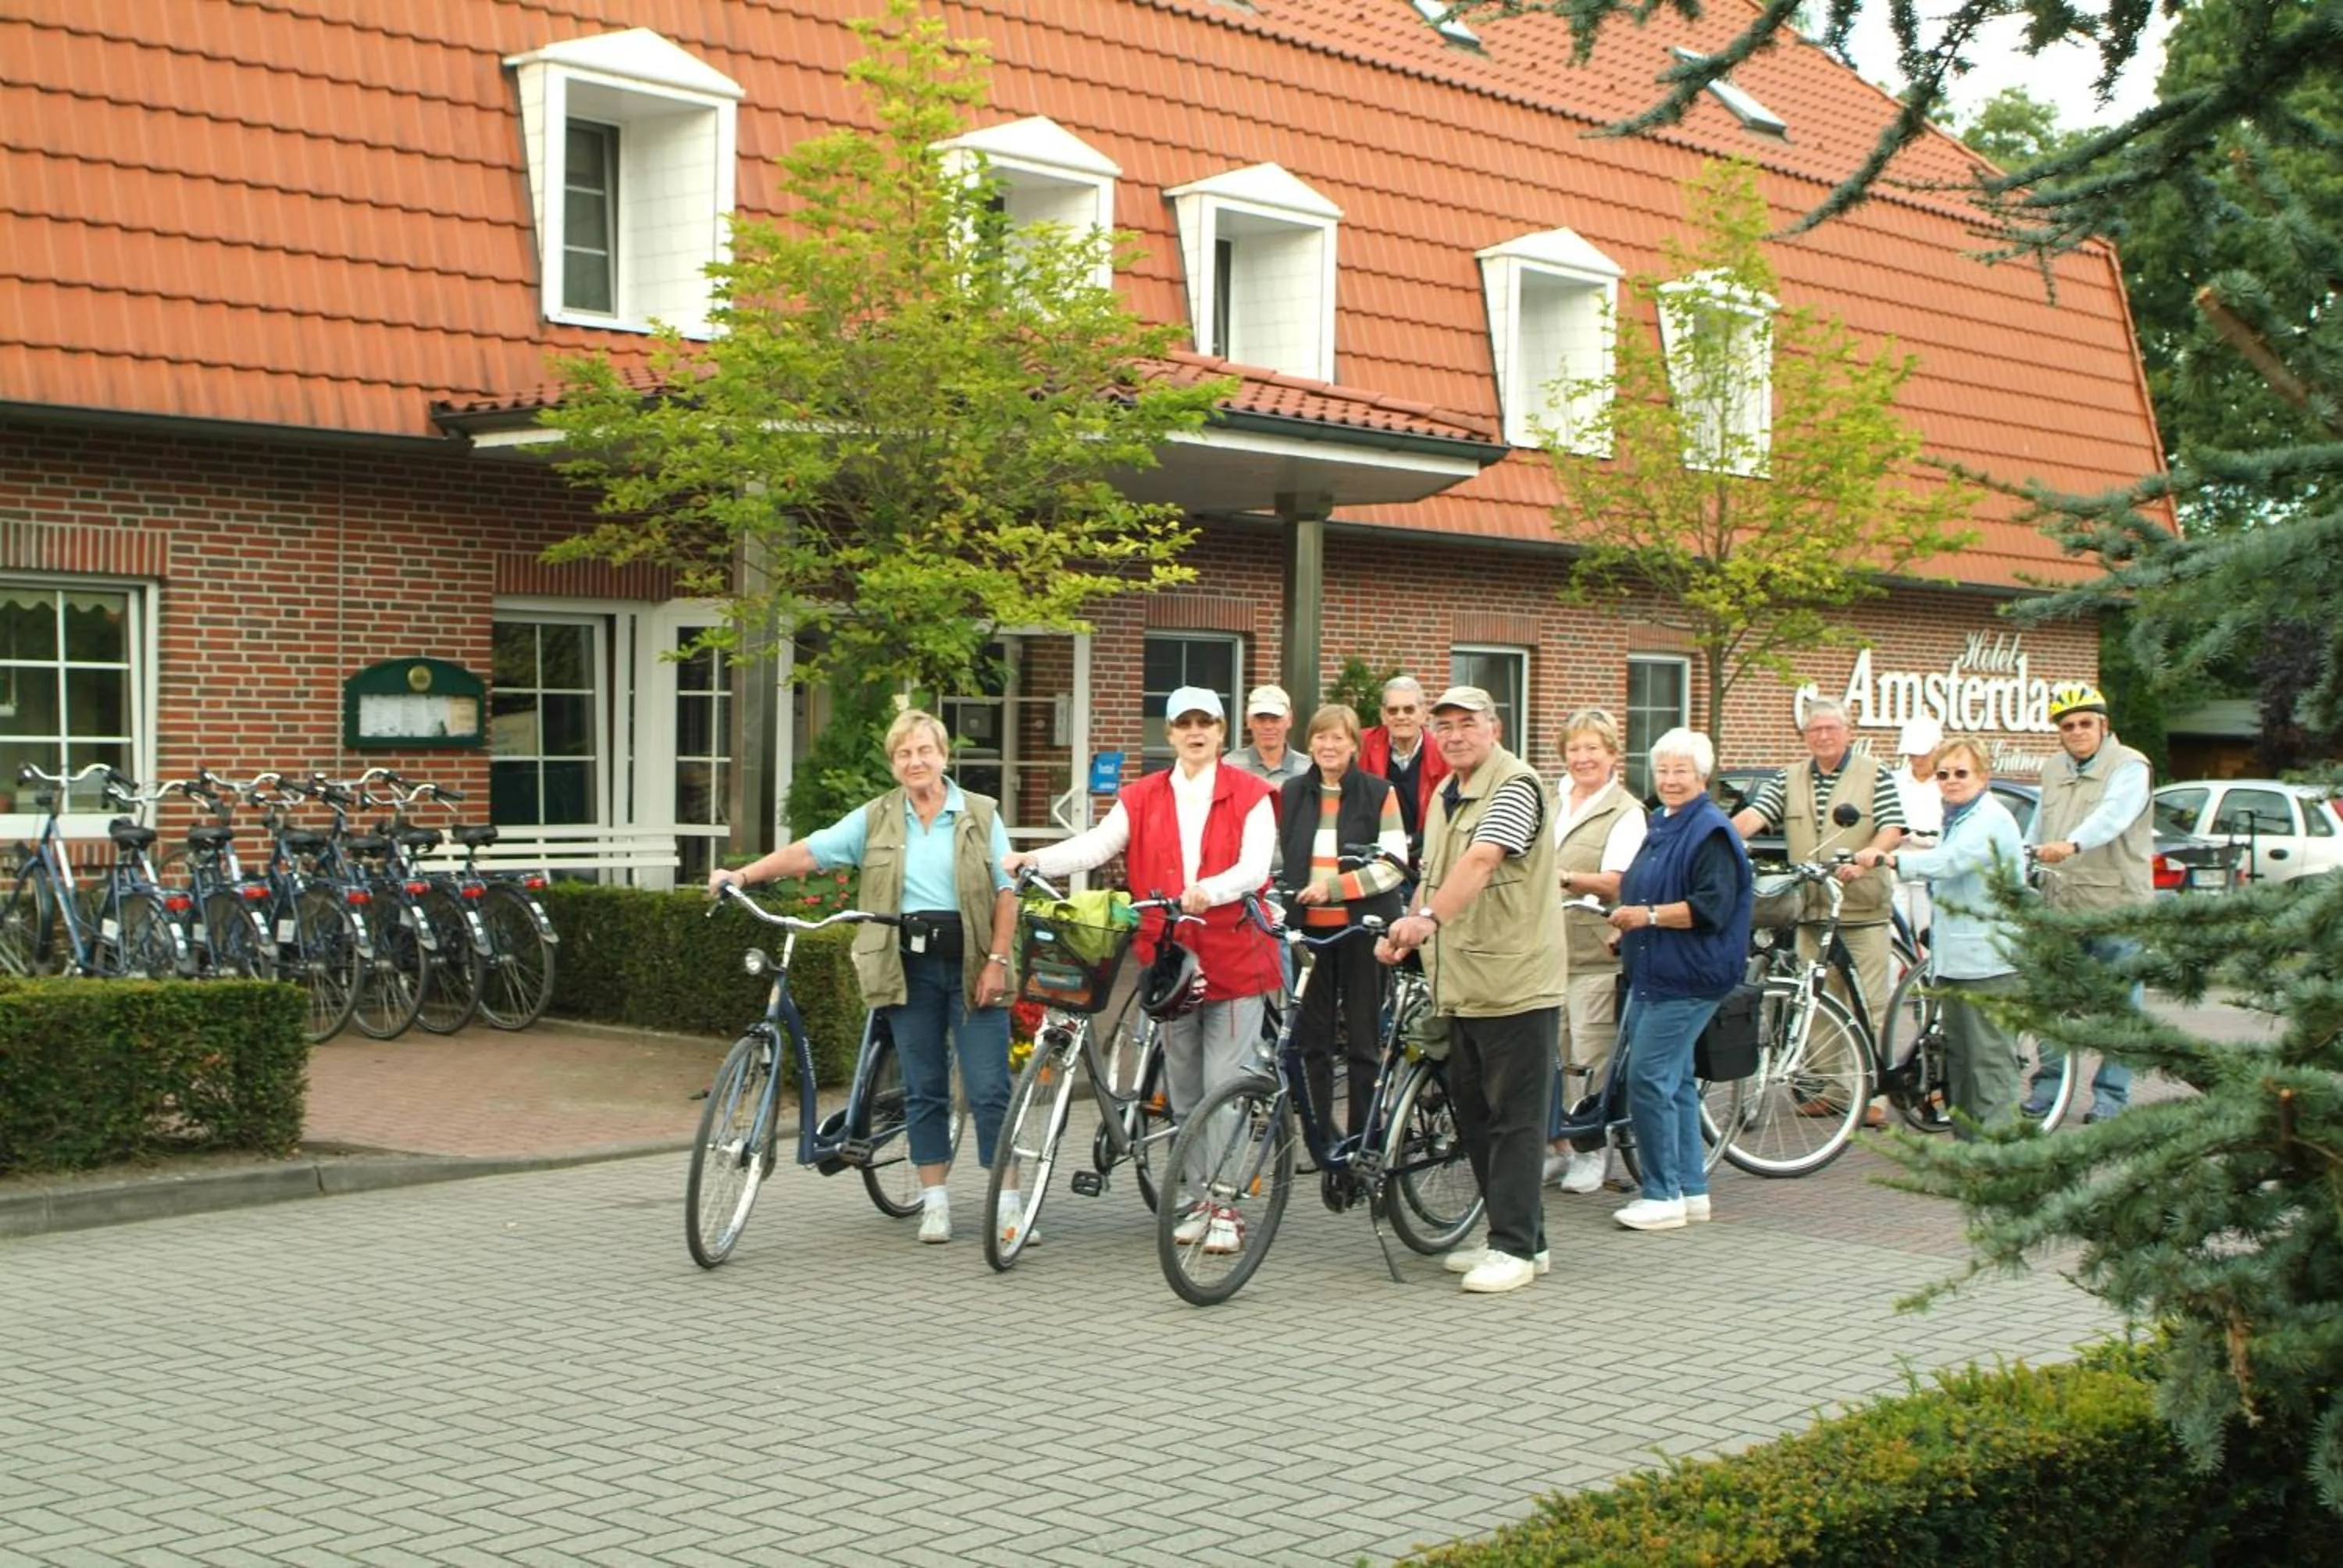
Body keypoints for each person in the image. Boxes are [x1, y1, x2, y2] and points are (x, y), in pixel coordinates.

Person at [708, 709, 1017, 1247]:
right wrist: (743, 874)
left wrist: (998, 960)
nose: (915, 762)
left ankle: (1009, 1201)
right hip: (906, 966)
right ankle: (935, 1203)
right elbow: (810, 850)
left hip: (972, 965)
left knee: (989, 1087)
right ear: (893, 763)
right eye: (904, 754)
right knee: (923, 1087)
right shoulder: (877, 818)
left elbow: (1008, 891)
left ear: (943, 755)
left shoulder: (981, 815)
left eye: (924, 751)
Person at [1002, 686, 1279, 1252]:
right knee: (1182, 1084)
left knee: (1223, 1082)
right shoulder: (1142, 796)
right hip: (1169, 960)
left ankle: (1224, 1204)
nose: (1196, 733)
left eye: (1206, 723)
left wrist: (1210, 889)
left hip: (1233, 955)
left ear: (1223, 732)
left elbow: (1254, 867)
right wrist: (1034, 858)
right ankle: (1197, 1195)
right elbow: (1095, 847)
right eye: (1184, 724)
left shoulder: (1253, 795)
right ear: (1170, 734)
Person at [1376, 686, 1560, 1295]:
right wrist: (1407, 933)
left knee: (1515, 1119)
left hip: (1514, 982)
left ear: (1495, 727)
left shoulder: (1515, 786)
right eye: (1445, 725)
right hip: (1460, 982)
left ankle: (1514, 1248)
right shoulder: (1444, 794)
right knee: (1476, 1117)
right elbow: (1436, 877)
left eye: (1467, 723)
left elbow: (1482, 861)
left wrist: (1426, 921)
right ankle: (1519, 1237)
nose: (1455, 734)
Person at [1607, 727, 1755, 1231]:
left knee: (1646, 1077)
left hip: (1690, 975)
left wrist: (1645, 918)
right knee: (1675, 1083)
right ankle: (1691, 1190)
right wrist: (1628, 929)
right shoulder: (1663, 821)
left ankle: (1661, 1193)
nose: (1670, 780)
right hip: (1657, 967)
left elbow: (1711, 908)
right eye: (1664, 770)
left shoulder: (1712, 830)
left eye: (1681, 771)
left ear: (1703, 776)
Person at [1851, 739, 2027, 1139]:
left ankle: (1998, 1157)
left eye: (1961, 773)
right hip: (1955, 963)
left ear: (1983, 776)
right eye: (1943, 774)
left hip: (1989, 964)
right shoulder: (1957, 817)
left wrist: (1891, 858)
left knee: (1990, 1063)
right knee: (1960, 1064)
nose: (1950, 781)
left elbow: (1951, 863)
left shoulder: (1991, 819)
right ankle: (1970, 1152)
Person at [1730, 697, 1906, 1042]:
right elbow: (1755, 816)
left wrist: (1870, 854)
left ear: (1847, 732)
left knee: (1869, 1007)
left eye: (1831, 728)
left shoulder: (1874, 774)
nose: (1823, 736)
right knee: (1814, 1004)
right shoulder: (1788, 778)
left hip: (1862, 909)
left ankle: (1878, 1093)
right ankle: (1832, 1089)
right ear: (1805, 736)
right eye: (1815, 730)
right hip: (1812, 910)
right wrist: (1718, 839)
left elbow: (1892, 829)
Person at [2025, 680, 2152, 1124]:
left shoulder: (2130, 766)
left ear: (2104, 725)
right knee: (2049, 1001)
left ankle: (2111, 1098)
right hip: (2061, 904)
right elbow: (2039, 823)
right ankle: (2048, 1090)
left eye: (2084, 723)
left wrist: (2072, 844)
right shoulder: (2053, 768)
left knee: (2119, 1006)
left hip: (2116, 904)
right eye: (2067, 726)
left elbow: (2114, 816)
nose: (2076, 732)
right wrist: (2025, 864)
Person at [1279, 703, 1409, 1136]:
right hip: (1309, 933)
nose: (1328, 745)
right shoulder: (1293, 792)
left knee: (1362, 1041)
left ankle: (1363, 1137)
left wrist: (1333, 888)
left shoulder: (1379, 792)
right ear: (1309, 742)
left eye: (1338, 737)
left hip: (1362, 931)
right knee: (1312, 1041)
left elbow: (1394, 866)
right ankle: (1322, 1135)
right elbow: (1281, 859)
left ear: (1354, 744)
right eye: (1320, 736)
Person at [1542, 707, 1646, 1195]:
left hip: (1594, 957)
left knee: (1590, 1057)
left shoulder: (1625, 812)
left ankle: (1591, 1151)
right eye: (1575, 749)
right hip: (1545, 953)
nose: (1582, 758)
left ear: (1611, 755)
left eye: (1592, 749)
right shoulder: (1551, 799)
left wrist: (1563, 878)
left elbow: (1616, 882)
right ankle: (1557, 1147)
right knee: (1550, 1056)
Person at [1359, 675, 1451, 857]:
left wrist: (1414, 842)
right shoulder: (1361, 745)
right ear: (1383, 715)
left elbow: (1450, 815)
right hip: (1370, 854)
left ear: (1423, 713)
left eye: (1409, 709)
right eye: (1393, 711)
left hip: (1425, 855)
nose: (1401, 717)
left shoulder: (1444, 753)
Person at [1890, 716, 1945, 947]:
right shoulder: (1895, 781)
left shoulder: (1948, 782)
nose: (1917, 761)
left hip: (1932, 872)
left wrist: (1929, 838)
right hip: (1896, 868)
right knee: (1893, 940)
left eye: (1923, 754)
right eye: (1912, 755)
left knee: (1930, 941)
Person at [1226, 685, 1313, 788]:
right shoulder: (1229, 766)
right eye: (1261, 720)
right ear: (1248, 721)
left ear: (1289, 720)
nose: (1268, 726)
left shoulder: (1308, 770)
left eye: (1275, 719)